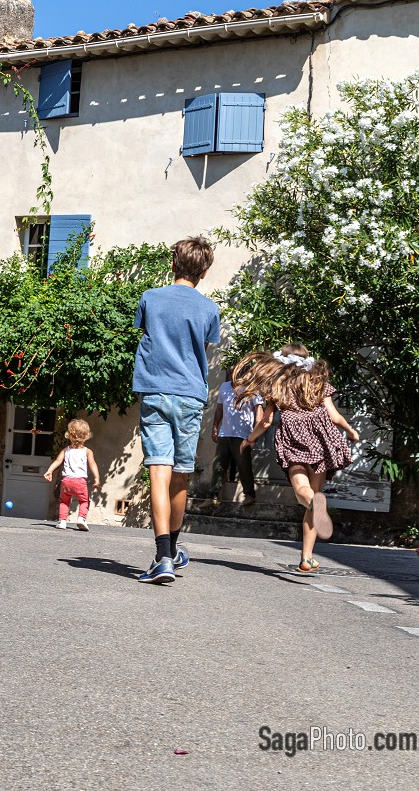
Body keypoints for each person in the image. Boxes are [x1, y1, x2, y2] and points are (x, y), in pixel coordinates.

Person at [132, 237, 220, 584]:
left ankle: (163, 557)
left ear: (173, 264)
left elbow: (147, 331)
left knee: (159, 473)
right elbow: (203, 347)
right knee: (181, 474)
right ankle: (172, 551)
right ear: (205, 270)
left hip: (155, 390)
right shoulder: (209, 308)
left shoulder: (151, 298)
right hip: (189, 396)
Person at [235, 344, 360, 573]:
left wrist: (250, 439)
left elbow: (266, 421)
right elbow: (334, 416)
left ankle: (313, 504)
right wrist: (351, 431)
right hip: (320, 441)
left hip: (293, 439)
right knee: (313, 499)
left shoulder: (278, 386)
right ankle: (306, 557)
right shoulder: (317, 383)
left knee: (302, 489)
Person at [211, 365, 265, 505]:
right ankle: (213, 497)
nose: (232, 374)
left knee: (243, 465)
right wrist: (215, 427)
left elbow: (259, 411)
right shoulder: (224, 387)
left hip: (243, 435)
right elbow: (219, 408)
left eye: (234, 371)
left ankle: (249, 495)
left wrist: (255, 434)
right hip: (225, 433)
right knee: (219, 465)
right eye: (230, 372)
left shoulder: (252, 388)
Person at [43, 418, 101, 530]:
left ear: (69, 435)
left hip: (66, 481)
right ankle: (81, 519)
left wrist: (49, 471)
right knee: (84, 501)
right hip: (80, 481)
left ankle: (62, 521)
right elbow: (92, 464)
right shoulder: (87, 451)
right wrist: (97, 478)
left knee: (64, 501)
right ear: (86, 435)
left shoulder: (66, 450)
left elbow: (57, 461)